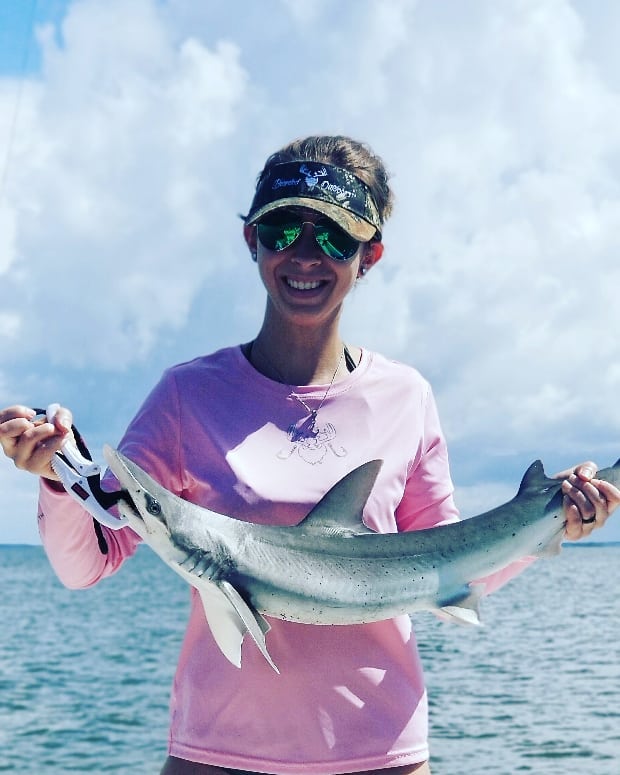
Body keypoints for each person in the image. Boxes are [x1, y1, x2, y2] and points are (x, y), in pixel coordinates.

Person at [1, 135, 618, 775]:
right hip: (218, 754)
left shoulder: (405, 396)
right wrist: (58, 478)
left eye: (334, 238)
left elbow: (449, 563)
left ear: (369, 255)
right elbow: (90, 561)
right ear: (252, 242)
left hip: (381, 754)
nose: (305, 255)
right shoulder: (187, 395)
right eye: (282, 231)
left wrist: (554, 524)